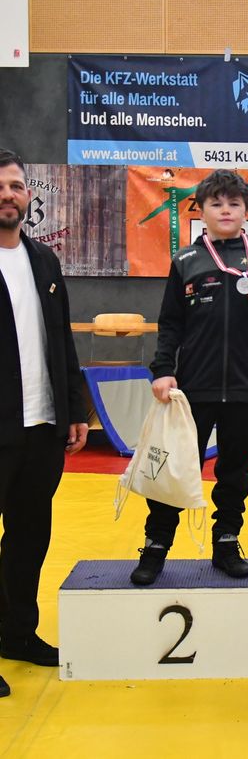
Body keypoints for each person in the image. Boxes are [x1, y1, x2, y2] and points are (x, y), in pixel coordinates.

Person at [131, 169, 248, 585]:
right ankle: (155, 546)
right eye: (216, 203)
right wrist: (164, 371)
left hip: (246, 385)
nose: (225, 210)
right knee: (174, 468)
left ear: (246, 210)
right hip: (193, 388)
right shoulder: (186, 260)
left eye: (234, 203)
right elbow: (170, 324)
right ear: (200, 211)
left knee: (236, 472)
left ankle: (226, 540)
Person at [0, 149, 88, 694]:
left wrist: (75, 409)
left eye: (15, 186)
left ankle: (18, 634)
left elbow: (62, 339)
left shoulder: (44, 261)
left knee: (30, 536)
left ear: (28, 196)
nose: (7, 194)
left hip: (41, 427)